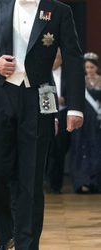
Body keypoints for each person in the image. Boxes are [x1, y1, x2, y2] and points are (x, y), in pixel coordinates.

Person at [0, 0, 85, 249]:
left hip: (39, 98)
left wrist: (75, 107)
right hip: (1, 94)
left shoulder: (60, 11)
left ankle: (26, 243)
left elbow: (73, 58)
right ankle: (6, 236)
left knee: (31, 178)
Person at [70, 52, 101, 194]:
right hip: (84, 121)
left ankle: (95, 183)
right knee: (82, 150)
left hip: (97, 121)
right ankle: (83, 182)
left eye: (92, 67)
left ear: (96, 68)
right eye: (87, 67)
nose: (89, 70)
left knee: (96, 149)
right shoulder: (80, 81)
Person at [45, 49, 71, 194]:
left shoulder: (67, 74)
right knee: (47, 149)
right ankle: (46, 180)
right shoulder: (43, 72)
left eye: (56, 59)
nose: (53, 61)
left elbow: (73, 92)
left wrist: (64, 100)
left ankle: (57, 184)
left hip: (63, 114)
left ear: (60, 60)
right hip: (48, 114)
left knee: (60, 150)